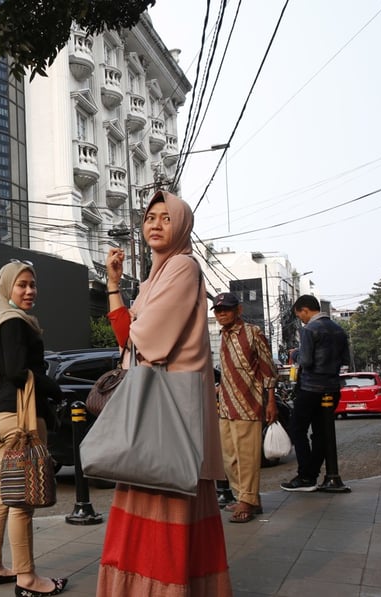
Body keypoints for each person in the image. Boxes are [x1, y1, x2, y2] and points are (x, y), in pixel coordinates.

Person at [97, 191, 231, 595]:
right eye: (150, 218)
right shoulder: (157, 275)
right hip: (160, 406)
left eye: (165, 218)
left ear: (182, 226)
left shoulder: (183, 267)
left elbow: (147, 338)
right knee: (155, 497)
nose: (155, 224)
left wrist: (134, 321)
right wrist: (114, 285)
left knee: (165, 501)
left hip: (169, 410)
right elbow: (129, 339)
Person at [0, 259, 67, 596]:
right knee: (23, 499)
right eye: (22, 285)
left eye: (32, 285)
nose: (30, 291)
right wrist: (54, 388)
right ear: (6, 288)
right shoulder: (15, 323)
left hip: (2, 414)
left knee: (4, 491)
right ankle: (28, 579)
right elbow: (17, 372)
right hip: (20, 416)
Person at [212, 291, 278, 523]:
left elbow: (269, 370)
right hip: (226, 405)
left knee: (247, 456)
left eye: (226, 309)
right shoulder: (223, 335)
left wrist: (270, 401)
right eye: (218, 311)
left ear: (238, 310)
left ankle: (246, 502)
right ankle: (248, 497)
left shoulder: (253, 333)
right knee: (229, 456)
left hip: (249, 404)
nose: (221, 314)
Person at [281, 294, 350, 492]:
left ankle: (306, 475)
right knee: (322, 433)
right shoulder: (339, 330)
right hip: (332, 387)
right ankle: (314, 474)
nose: (301, 319)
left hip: (311, 387)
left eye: (299, 315)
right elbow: (345, 358)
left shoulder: (310, 329)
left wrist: (296, 354)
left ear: (305, 310)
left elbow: (307, 361)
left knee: (297, 428)